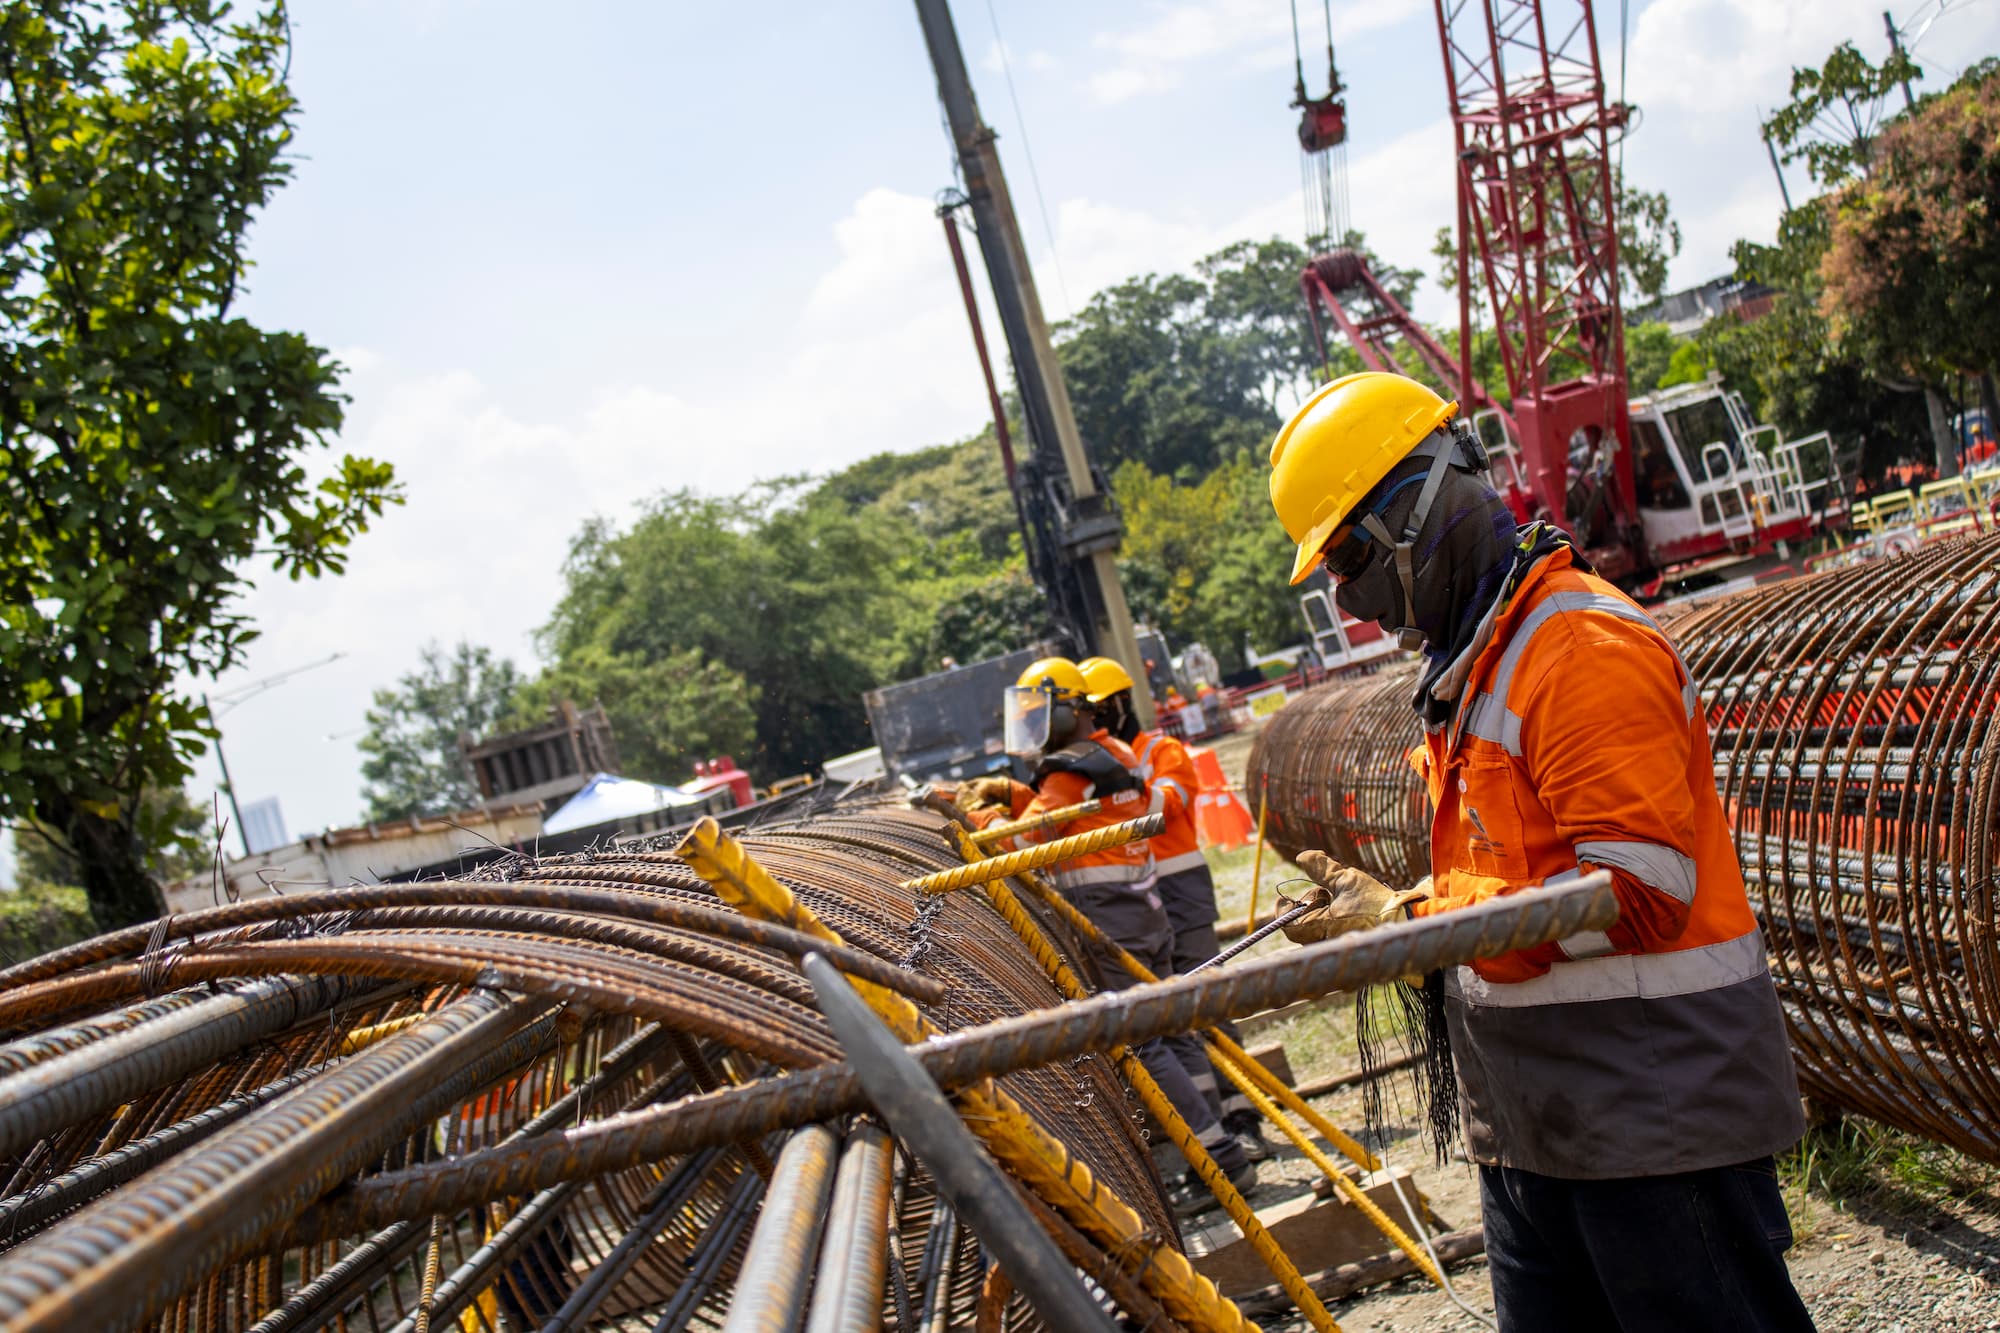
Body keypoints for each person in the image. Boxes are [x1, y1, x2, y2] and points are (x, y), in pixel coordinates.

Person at [1265, 371, 1814, 1332]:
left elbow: (1634, 894)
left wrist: (1410, 922)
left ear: (1420, 506)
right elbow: (1520, 884)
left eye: (1350, 557)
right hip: (1540, 1125)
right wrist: (1413, 908)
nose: (1351, 598)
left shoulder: (1579, 654)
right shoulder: (1478, 670)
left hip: (1655, 1119)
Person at [958, 656, 1258, 1214]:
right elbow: (1068, 817)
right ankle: (1220, 1138)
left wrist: (977, 816)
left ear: (1070, 709)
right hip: (1143, 913)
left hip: (1109, 919)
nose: (1036, 725)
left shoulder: (1069, 768)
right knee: (1172, 1028)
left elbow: (1027, 845)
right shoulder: (1112, 756)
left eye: (1041, 711)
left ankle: (1219, 1158)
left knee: (1144, 1038)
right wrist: (1014, 794)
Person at [1076, 655, 1272, 1162]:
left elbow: (1165, 807)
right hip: (1139, 898)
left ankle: (1241, 1113)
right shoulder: (1093, 760)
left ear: (1120, 705)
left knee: (1205, 999)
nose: (1092, 722)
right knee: (1170, 1017)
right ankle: (1209, 1118)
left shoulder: (1161, 751)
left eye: (1098, 711)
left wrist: (1109, 785)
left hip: (1178, 888)